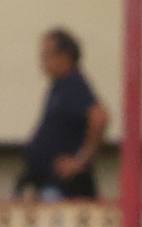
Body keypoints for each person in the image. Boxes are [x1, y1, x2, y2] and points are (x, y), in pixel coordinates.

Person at [21, 27, 109, 205]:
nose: (42, 62)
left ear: (64, 56)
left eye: (47, 55)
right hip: (46, 183)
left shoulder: (73, 84)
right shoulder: (58, 87)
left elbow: (99, 117)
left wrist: (80, 161)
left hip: (63, 188)